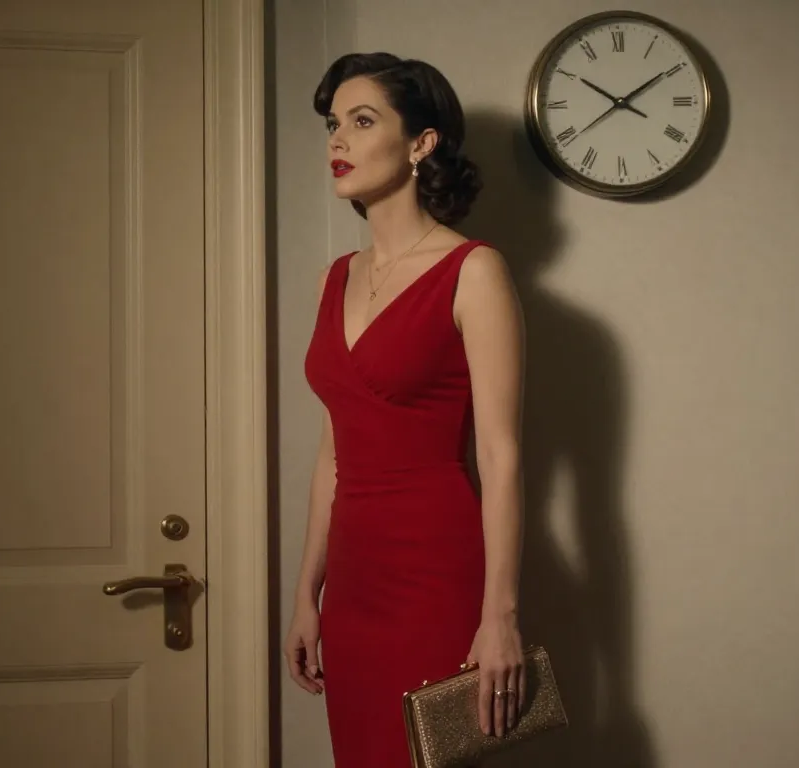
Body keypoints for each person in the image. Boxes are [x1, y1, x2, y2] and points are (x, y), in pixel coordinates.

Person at [284, 51, 528, 768]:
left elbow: (501, 456)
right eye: (333, 124)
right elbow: (333, 454)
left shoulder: (473, 271)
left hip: (435, 573)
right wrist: (306, 595)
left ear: (421, 143)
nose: (338, 140)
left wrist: (500, 616)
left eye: (363, 121)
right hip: (352, 583)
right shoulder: (336, 278)